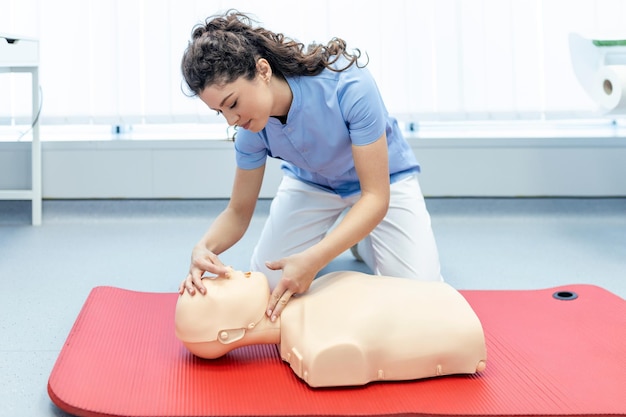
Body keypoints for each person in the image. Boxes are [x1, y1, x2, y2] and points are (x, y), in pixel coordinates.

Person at [178, 10, 443, 322]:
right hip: (313, 184)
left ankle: (361, 239)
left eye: (233, 103)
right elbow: (238, 212)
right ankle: (350, 233)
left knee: (422, 302)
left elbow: (375, 197)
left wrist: (316, 259)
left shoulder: (349, 84)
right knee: (270, 286)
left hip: (382, 184)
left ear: (262, 70)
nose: (232, 120)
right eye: (219, 112)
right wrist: (203, 247)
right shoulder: (251, 128)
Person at [175, 268, 487, 388]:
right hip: (462, 328)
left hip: (448, 305)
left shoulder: (314, 294)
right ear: (229, 334)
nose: (227, 270)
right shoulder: (319, 344)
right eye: (218, 285)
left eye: (218, 274)